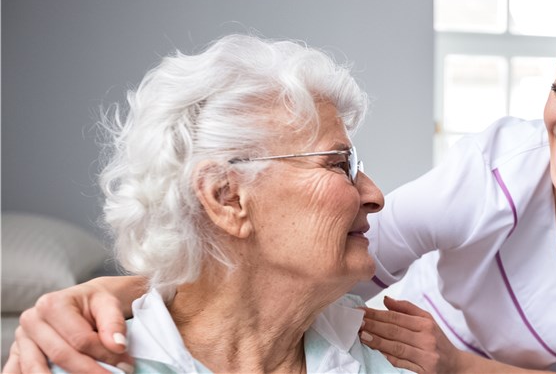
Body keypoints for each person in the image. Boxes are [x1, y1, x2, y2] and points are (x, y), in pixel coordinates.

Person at [5, 0, 556, 374]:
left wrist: (453, 369)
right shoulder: (499, 173)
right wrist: (112, 290)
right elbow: (267, 275)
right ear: (224, 197)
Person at [3, 35, 410, 374]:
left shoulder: (390, 350)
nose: (375, 196)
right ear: (226, 197)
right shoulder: (89, 364)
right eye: (339, 164)